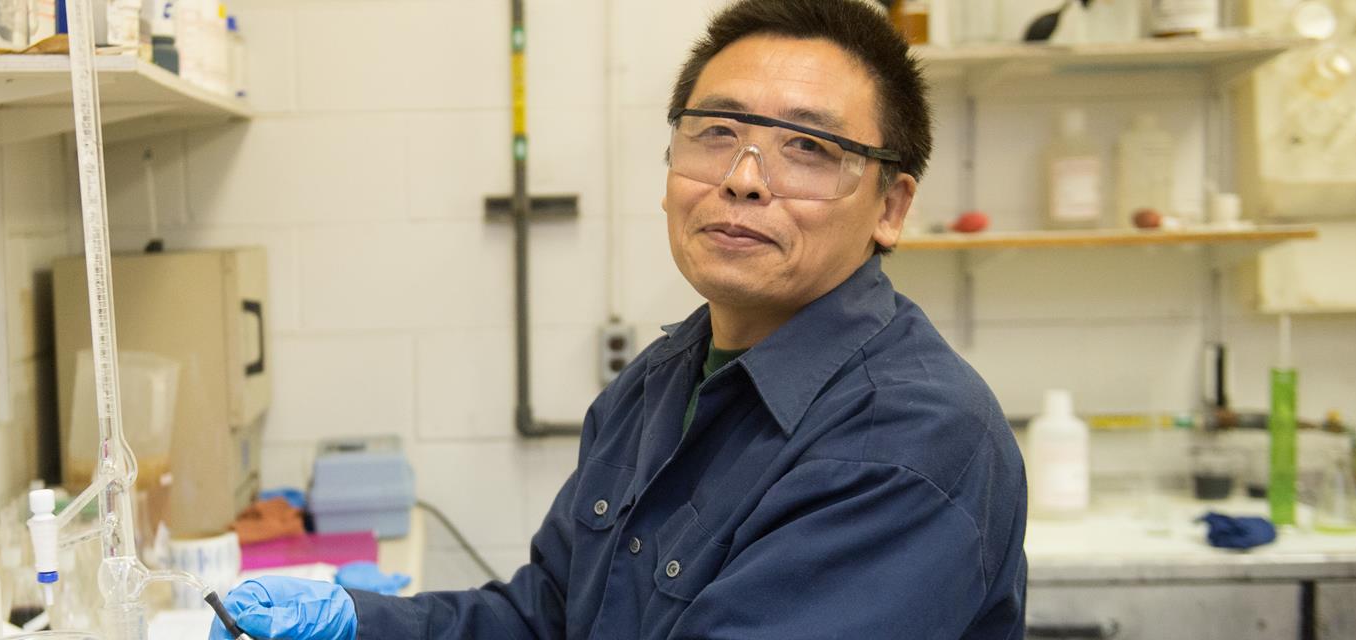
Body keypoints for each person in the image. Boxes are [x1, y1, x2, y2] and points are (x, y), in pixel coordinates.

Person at [210, 0, 1026, 637]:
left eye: (806, 148)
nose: (743, 178)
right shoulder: (662, 383)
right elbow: (545, 620)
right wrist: (360, 624)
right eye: (716, 133)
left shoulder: (910, 443)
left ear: (892, 205)